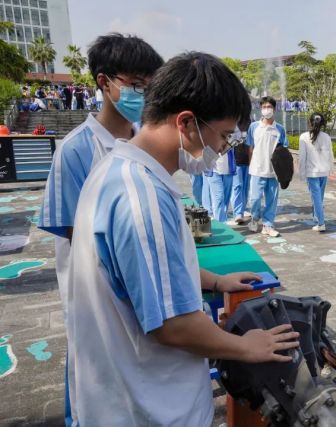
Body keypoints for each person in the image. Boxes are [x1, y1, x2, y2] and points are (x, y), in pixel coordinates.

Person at [66, 51, 300, 426]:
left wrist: (214, 281)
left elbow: (146, 272)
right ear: (187, 122)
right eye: (223, 135)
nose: (225, 147)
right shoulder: (140, 195)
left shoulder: (119, 170)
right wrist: (245, 347)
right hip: (150, 409)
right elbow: (172, 324)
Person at [37, 33, 164, 427]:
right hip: (97, 294)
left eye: (149, 86)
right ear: (104, 82)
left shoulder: (143, 141)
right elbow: (82, 239)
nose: (142, 94)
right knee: (91, 382)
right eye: (135, 84)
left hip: (135, 289)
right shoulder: (76, 150)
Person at [246, 95, 288, 237]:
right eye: (264, 107)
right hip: (257, 169)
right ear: (260, 109)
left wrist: (285, 171)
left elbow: (284, 150)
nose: (266, 109)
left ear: (274, 109)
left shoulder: (280, 129)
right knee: (255, 198)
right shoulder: (254, 127)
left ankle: (268, 225)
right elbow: (251, 147)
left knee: (272, 200)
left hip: (273, 172)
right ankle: (254, 218)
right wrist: (250, 164)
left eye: (269, 107)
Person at [298, 113, 334, 232]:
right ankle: (317, 217)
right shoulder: (326, 136)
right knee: (319, 197)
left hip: (312, 173)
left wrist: (302, 173)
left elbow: (302, 157)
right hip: (324, 171)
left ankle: (321, 222)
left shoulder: (304, 136)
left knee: (316, 197)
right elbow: (331, 154)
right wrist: (330, 168)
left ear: (309, 122)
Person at [203, 133, 237, 222]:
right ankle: (221, 223)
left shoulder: (231, 132)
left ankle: (223, 219)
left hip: (228, 170)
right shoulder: (209, 133)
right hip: (213, 171)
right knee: (218, 198)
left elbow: (235, 141)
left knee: (225, 199)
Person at [231, 118, 251, 224]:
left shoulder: (249, 123)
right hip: (236, 161)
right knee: (237, 186)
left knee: (245, 187)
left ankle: (242, 210)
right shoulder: (231, 123)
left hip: (247, 161)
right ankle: (238, 213)